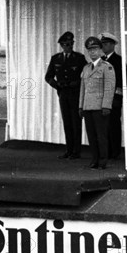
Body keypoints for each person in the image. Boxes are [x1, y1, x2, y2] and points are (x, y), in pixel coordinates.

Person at [45, 31, 87, 159]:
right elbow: (48, 77)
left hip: (75, 93)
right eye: (67, 44)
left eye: (71, 43)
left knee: (76, 122)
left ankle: (76, 151)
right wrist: (57, 85)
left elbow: (86, 75)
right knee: (67, 122)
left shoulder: (79, 58)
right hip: (63, 93)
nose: (70, 46)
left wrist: (77, 83)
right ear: (62, 45)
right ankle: (69, 150)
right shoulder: (56, 58)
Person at [79, 37, 116, 170]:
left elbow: (109, 87)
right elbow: (83, 88)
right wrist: (81, 106)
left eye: (95, 49)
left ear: (101, 50)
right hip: (88, 106)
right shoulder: (86, 68)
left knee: (101, 135)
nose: (92, 52)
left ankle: (102, 161)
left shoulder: (107, 67)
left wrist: (106, 105)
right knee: (92, 135)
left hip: (100, 107)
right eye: (90, 50)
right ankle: (94, 159)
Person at [98, 32, 123, 160]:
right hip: (101, 98)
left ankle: (115, 151)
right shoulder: (100, 61)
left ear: (113, 45)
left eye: (106, 44)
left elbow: (121, 81)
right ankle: (105, 150)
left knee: (113, 125)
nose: (104, 46)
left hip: (113, 98)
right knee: (103, 125)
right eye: (102, 44)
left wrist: (117, 98)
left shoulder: (118, 61)